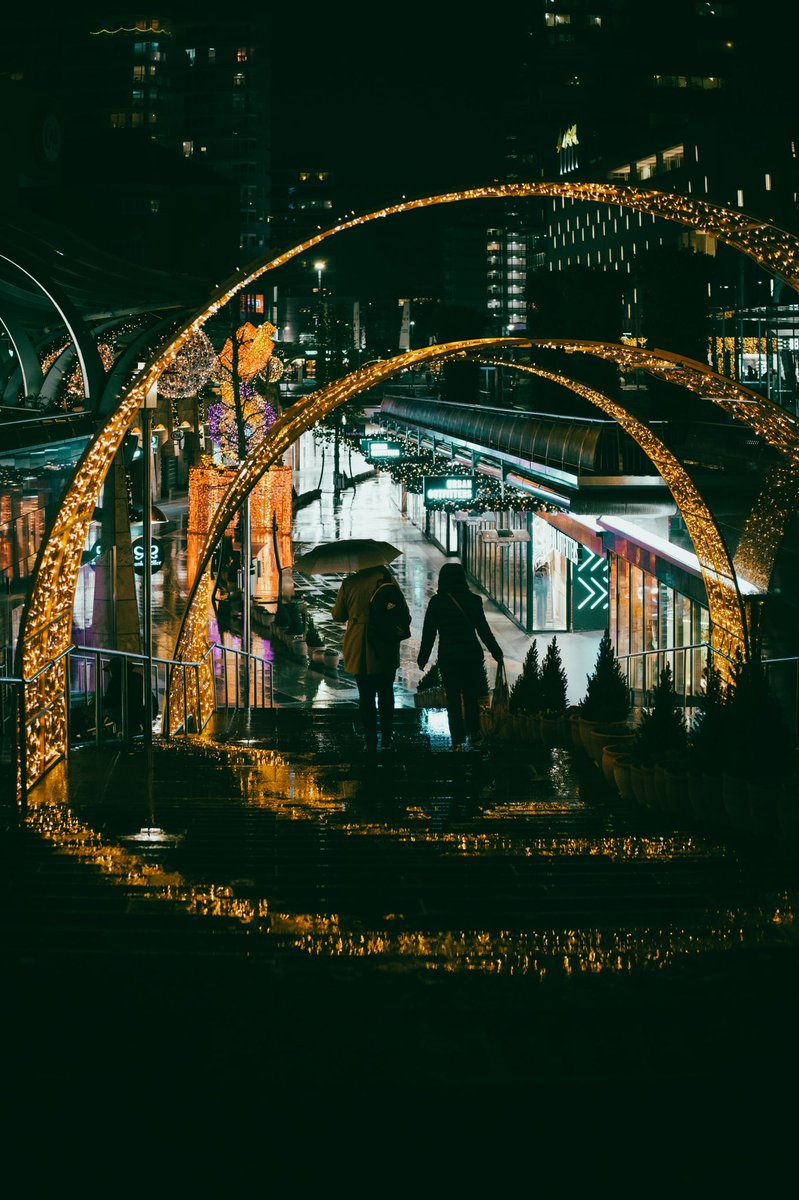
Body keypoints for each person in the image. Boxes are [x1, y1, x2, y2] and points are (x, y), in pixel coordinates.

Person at [417, 562, 504, 751]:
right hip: (471, 655)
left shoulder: (437, 602)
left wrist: (422, 658)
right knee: (471, 696)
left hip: (449, 656)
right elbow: (483, 630)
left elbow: (429, 633)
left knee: (453, 699)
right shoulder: (473, 600)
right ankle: (474, 734)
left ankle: (457, 739)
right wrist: (496, 651)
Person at [332, 563, 411, 752]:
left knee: (366, 695)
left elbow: (338, 616)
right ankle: (386, 738)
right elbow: (403, 613)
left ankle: (370, 739)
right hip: (386, 642)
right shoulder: (387, 580)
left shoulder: (349, 583)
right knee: (386, 692)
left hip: (359, 645)